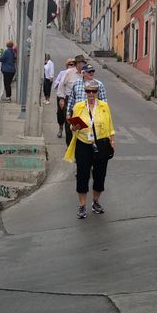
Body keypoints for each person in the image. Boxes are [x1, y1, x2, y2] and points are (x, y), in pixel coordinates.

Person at [63, 79, 116, 219]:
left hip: (101, 144)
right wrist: (74, 127)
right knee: (82, 175)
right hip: (83, 144)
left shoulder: (104, 106)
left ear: (97, 92)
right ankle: (82, 205)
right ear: (85, 92)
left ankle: (96, 202)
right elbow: (72, 127)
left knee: (100, 175)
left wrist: (112, 140)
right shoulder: (79, 107)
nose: (91, 94)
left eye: (94, 91)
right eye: (88, 91)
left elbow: (110, 124)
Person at [59, 54, 87, 144]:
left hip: (81, 103)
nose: (81, 65)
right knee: (68, 124)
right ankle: (69, 145)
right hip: (69, 101)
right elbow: (61, 85)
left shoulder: (85, 74)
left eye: (82, 63)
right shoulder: (69, 72)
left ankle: (78, 144)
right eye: (79, 63)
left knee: (81, 124)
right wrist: (61, 99)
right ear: (76, 64)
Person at [53, 58, 74, 138]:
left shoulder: (77, 74)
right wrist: (60, 83)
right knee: (61, 114)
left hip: (71, 98)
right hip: (62, 96)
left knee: (70, 116)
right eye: (70, 64)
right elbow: (56, 82)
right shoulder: (62, 73)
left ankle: (70, 133)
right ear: (67, 65)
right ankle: (61, 128)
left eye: (73, 64)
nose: (71, 66)